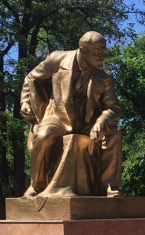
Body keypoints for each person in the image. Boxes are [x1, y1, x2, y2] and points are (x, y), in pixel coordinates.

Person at [20, 31, 123, 197]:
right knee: (45, 135)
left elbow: (114, 107)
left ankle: (107, 185)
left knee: (115, 133)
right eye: (97, 52)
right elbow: (32, 78)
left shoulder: (105, 76)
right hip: (58, 117)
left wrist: (102, 120)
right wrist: (25, 102)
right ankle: (37, 185)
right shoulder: (57, 60)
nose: (102, 56)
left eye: (103, 52)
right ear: (83, 50)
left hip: (87, 123)